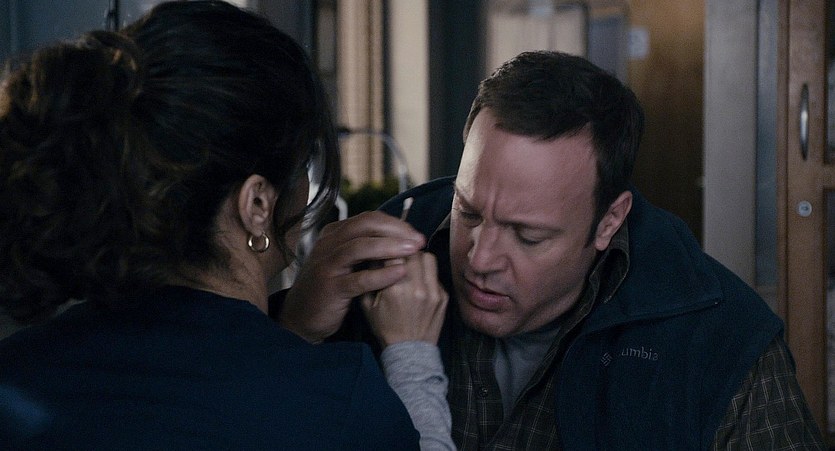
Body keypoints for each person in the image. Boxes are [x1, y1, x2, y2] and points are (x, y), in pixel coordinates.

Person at [281, 50, 826, 449]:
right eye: (468, 211)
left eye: (528, 235)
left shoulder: (720, 341)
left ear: (608, 223)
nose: (479, 260)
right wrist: (293, 331)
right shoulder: (372, 267)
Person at [0, 1, 446, 448]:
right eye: (302, 167)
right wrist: (411, 355)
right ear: (256, 203)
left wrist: (293, 329)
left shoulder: (18, 375)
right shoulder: (338, 405)